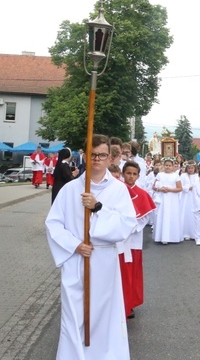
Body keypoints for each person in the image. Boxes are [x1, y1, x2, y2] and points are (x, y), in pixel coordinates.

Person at [45, 134, 137, 360]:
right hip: (76, 261)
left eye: (102, 155)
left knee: (103, 316)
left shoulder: (118, 190)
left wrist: (98, 207)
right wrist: (75, 245)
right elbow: (53, 223)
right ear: (85, 156)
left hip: (104, 263)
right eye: (93, 155)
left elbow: (127, 224)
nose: (97, 159)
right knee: (74, 316)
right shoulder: (69, 190)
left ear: (110, 158)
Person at [119, 161, 156, 319]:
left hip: (134, 238)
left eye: (134, 174)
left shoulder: (142, 194)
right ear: (123, 174)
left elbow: (146, 216)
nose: (131, 177)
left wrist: (131, 228)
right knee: (120, 271)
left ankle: (131, 303)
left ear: (138, 176)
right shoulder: (117, 191)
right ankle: (119, 302)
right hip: (119, 237)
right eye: (128, 173)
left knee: (132, 271)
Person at [152, 158, 184, 245]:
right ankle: (161, 236)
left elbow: (180, 188)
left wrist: (170, 189)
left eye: (170, 165)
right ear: (163, 165)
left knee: (171, 215)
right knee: (162, 215)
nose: (168, 167)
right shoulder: (160, 175)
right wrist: (159, 189)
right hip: (162, 197)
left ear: (173, 166)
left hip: (172, 198)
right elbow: (154, 186)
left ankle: (172, 236)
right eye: (166, 165)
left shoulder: (176, 176)